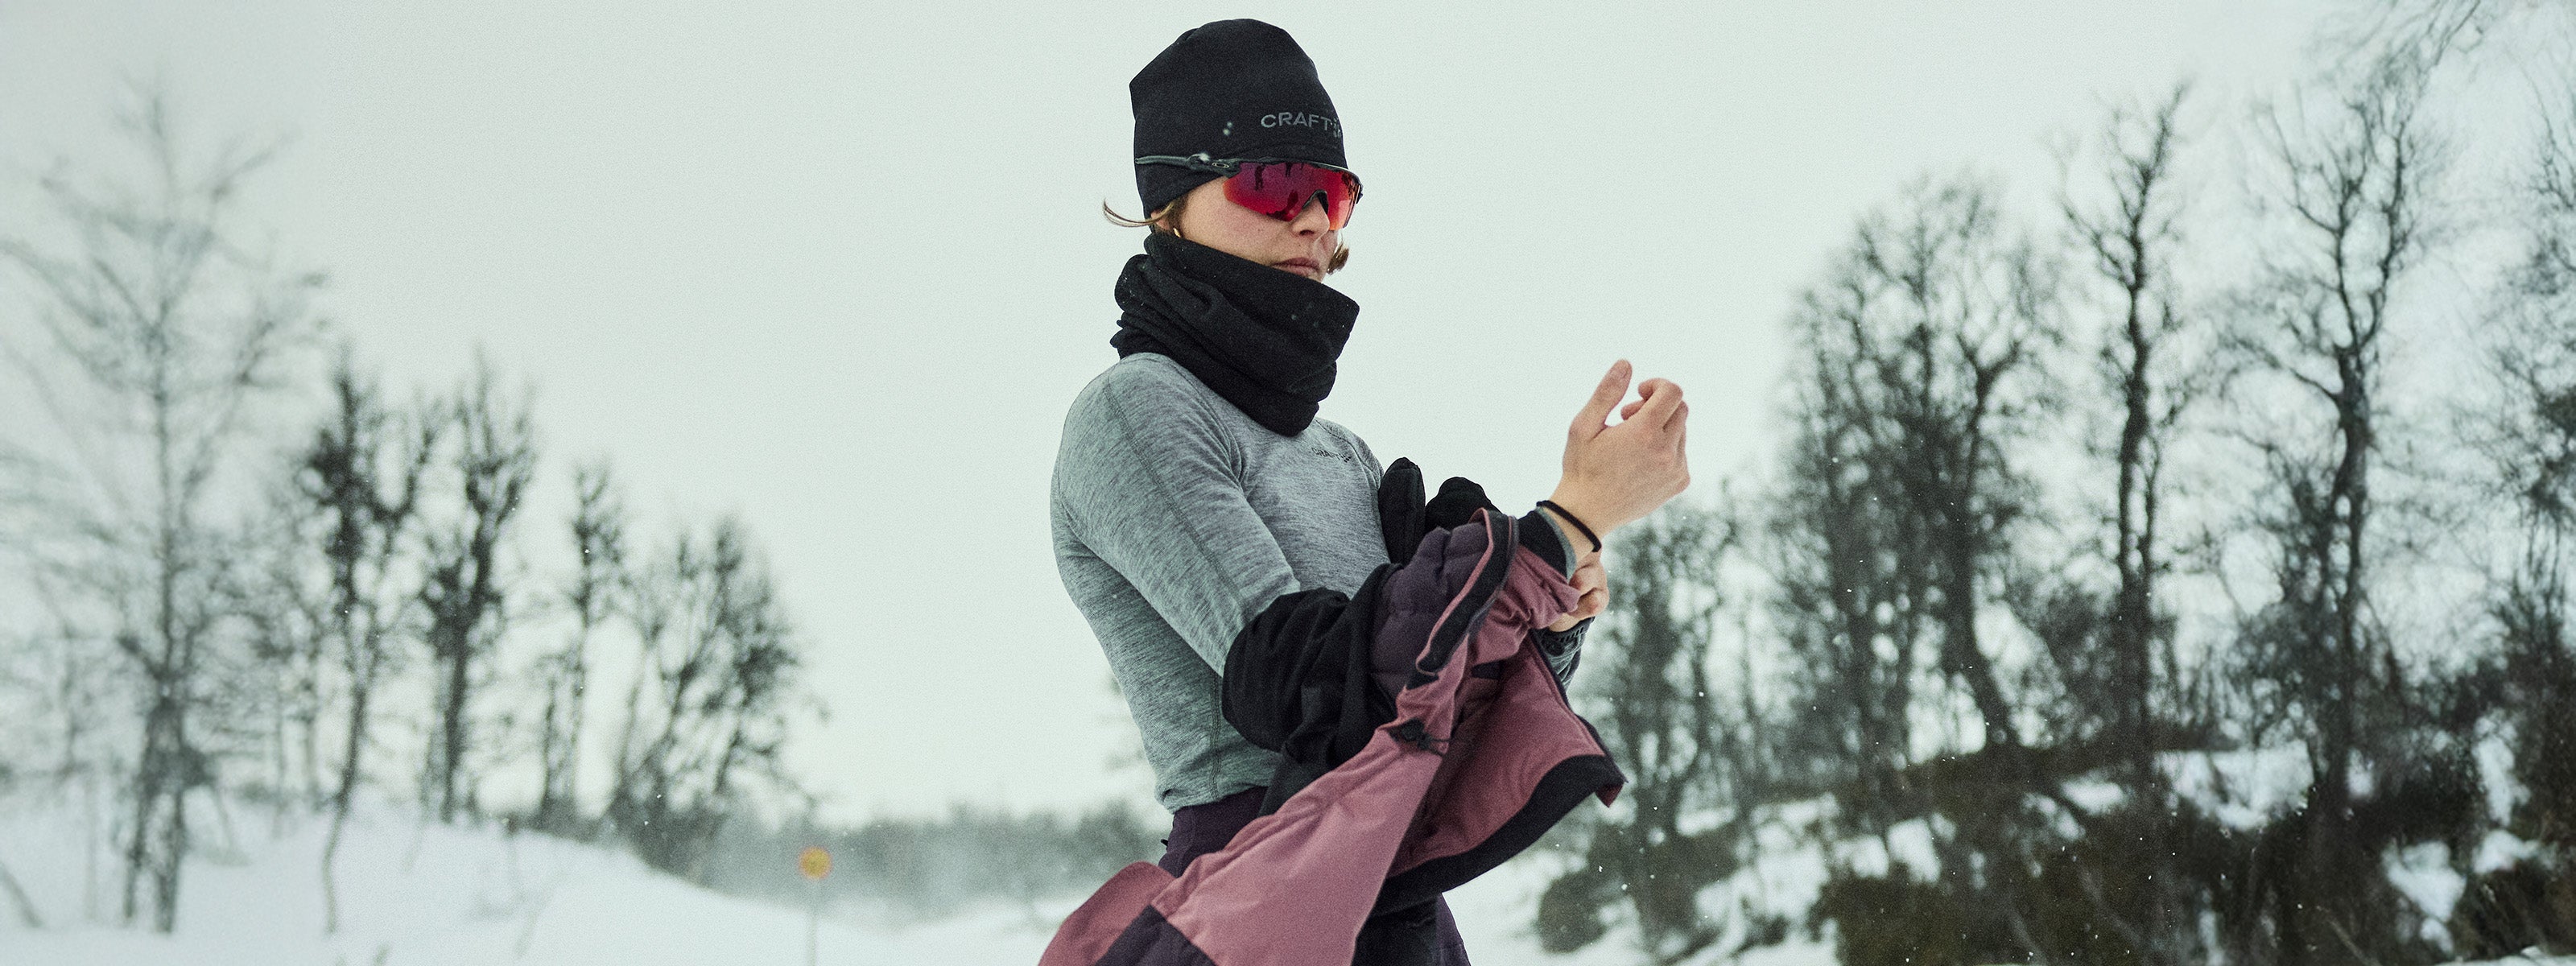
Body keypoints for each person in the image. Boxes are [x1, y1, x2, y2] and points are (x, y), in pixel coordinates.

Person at [1049, 19, 1690, 964]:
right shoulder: (1134, 412)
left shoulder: (1339, 453)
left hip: (1395, 908)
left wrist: (1552, 611)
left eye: (1333, 192)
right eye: (1274, 183)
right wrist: (1560, 526)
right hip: (1261, 902)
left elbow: (1432, 714)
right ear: (1170, 204)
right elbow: (1310, 693)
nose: (1312, 219)